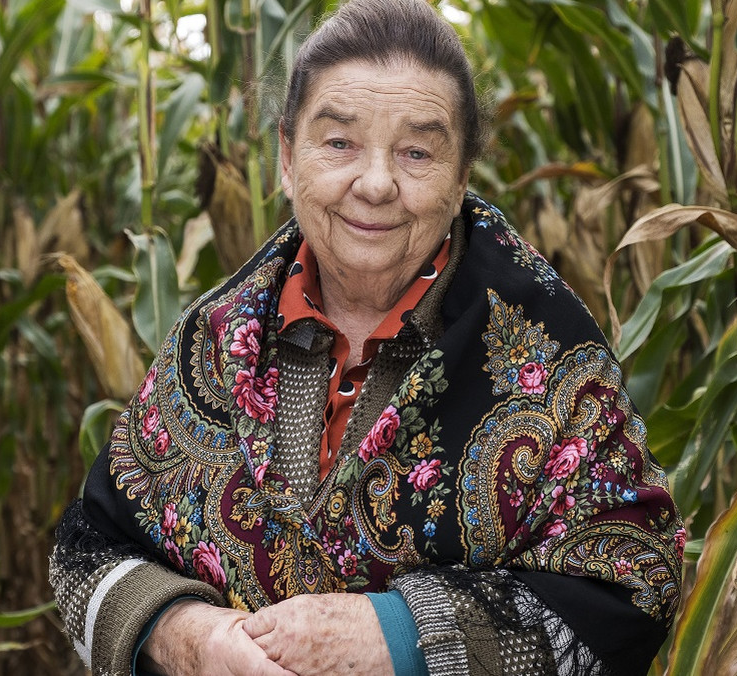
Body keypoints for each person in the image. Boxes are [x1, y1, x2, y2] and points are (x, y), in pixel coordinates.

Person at [49, 1, 685, 674]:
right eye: (340, 143)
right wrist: (189, 636)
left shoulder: (549, 356)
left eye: (417, 151)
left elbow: (636, 585)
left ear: (462, 175)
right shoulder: (211, 343)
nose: (376, 184)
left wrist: (400, 635)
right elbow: (89, 550)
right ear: (288, 157)